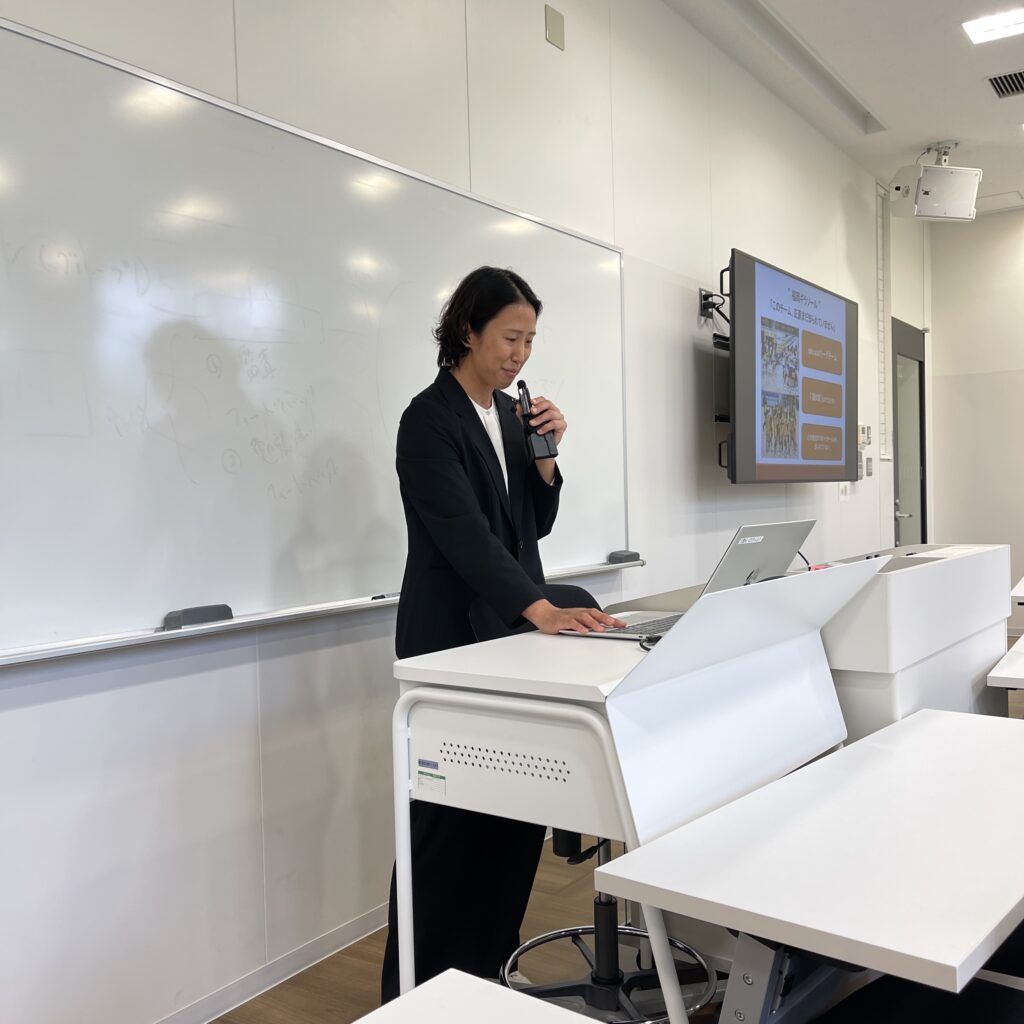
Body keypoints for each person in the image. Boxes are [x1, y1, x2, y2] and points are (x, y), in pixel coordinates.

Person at [380, 266, 623, 1001]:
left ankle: (486, 972)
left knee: (512, 824)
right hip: (452, 644)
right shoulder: (428, 420)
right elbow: (463, 536)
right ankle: (416, 994)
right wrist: (541, 609)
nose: (521, 354)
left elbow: (530, 527)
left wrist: (546, 457)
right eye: (510, 337)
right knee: (445, 832)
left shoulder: (513, 415)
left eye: (530, 341)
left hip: (510, 643)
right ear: (468, 331)